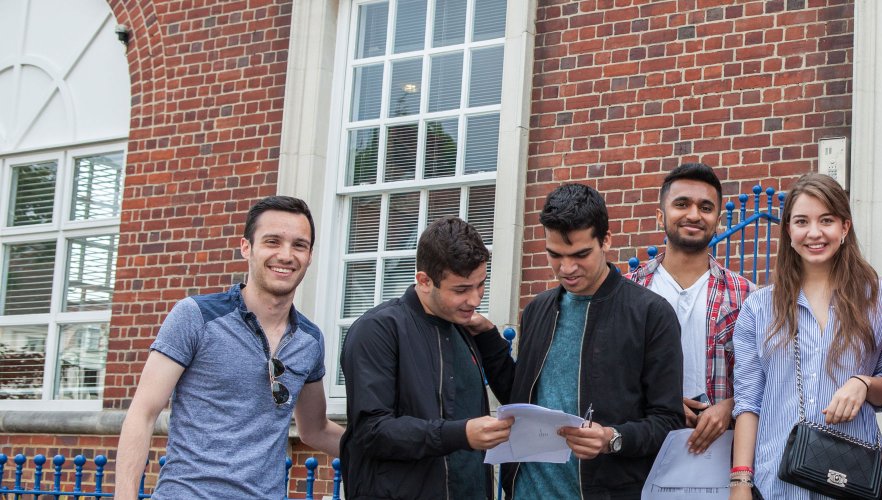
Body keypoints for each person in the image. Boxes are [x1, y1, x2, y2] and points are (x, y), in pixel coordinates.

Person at [115, 196, 344, 498]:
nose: (286, 255)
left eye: (299, 245)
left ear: (310, 255)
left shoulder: (310, 340)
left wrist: (394, 449)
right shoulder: (195, 316)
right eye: (272, 241)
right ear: (246, 247)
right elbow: (142, 413)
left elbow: (314, 430)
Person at [729, 173, 882, 500]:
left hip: (852, 483)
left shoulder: (879, 300)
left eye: (826, 220)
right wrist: (740, 482)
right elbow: (749, 402)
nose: (814, 233)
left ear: (845, 228)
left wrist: (863, 384)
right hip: (777, 482)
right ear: (789, 231)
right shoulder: (759, 308)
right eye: (801, 221)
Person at [507, 183, 683, 499]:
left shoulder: (651, 313)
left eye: (581, 254)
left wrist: (612, 438)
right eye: (554, 255)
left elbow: (669, 421)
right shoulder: (536, 310)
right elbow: (519, 394)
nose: (567, 268)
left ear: (606, 241)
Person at [340, 217, 516, 500]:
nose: (474, 300)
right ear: (424, 281)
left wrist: (489, 338)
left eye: (480, 284)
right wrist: (461, 434)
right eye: (461, 290)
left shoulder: (466, 327)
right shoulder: (378, 329)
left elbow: (517, 396)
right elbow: (372, 431)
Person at [625, 163, 755, 454]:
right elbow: (610, 376)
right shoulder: (627, 291)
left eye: (705, 207)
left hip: (719, 454)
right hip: (642, 452)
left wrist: (730, 407)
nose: (694, 215)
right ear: (661, 215)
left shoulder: (746, 295)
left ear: (718, 220)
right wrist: (661, 404)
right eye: (682, 204)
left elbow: (766, 376)